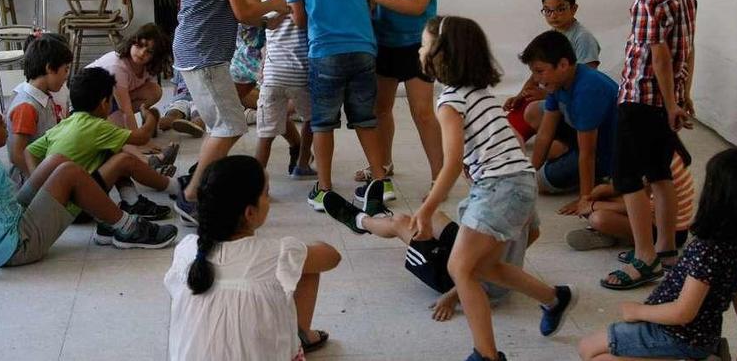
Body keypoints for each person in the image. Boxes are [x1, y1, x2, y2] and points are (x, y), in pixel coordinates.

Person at [0, 95, 178, 289]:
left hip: (11, 220)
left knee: (57, 161)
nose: (7, 125)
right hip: (16, 246)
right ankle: (126, 227)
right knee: (70, 172)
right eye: (1, 122)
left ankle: (107, 222)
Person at [411, 16, 575, 361]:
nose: (420, 49)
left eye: (425, 44)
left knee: (461, 268)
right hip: (513, 182)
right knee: (483, 268)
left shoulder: (450, 103)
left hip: (501, 187)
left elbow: (452, 162)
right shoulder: (478, 92)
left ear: (442, 55)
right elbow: (508, 140)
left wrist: (427, 209)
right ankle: (554, 297)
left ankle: (486, 355)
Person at [172, 0, 289, 223]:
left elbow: (237, 7)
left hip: (200, 49)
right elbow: (241, 11)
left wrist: (265, 19)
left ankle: (201, 178)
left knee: (219, 122)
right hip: (201, 52)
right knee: (230, 125)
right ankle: (191, 196)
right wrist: (278, 7)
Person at [601, 0, 697, 291]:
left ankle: (644, 258)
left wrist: (671, 102)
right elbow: (686, 51)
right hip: (664, 101)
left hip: (640, 98)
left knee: (629, 180)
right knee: (660, 173)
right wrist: (680, 97)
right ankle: (666, 248)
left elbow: (657, 54)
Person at [164, 155, 340, 360]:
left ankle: (300, 336)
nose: (269, 199)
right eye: (266, 194)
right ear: (250, 213)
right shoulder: (279, 253)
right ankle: (301, 336)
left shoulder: (186, 250)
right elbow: (332, 257)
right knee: (304, 267)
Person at [578, 147, 737, 361]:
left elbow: (683, 313)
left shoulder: (707, 250)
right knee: (594, 349)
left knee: (589, 351)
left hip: (675, 334)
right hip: (700, 336)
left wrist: (637, 311)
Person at [286, 0, 391, 211]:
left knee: (322, 122)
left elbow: (299, 17)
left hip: (325, 52)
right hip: (363, 49)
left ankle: (326, 188)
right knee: (365, 118)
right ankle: (380, 182)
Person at [323, 189, 539, 322]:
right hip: (473, 258)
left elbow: (479, 270)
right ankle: (380, 217)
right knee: (433, 217)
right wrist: (513, 257)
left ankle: (361, 221)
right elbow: (534, 233)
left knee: (400, 222)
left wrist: (450, 298)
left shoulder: (488, 211)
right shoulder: (521, 193)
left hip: (467, 282)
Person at [356, 0, 443, 189]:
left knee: (422, 112)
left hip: (418, 47)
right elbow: (369, 2)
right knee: (381, 109)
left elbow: (417, 4)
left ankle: (439, 176)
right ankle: (383, 164)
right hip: (384, 44)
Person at [26, 68, 178, 223]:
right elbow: (142, 137)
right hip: (80, 208)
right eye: (111, 101)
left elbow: (29, 151)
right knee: (124, 160)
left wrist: (38, 182)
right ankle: (177, 188)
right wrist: (150, 116)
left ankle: (132, 201)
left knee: (112, 150)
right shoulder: (97, 126)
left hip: (59, 202)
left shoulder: (65, 124)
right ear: (104, 103)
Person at [518, 31, 618, 207]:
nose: (536, 79)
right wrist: (529, 172)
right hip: (585, 136)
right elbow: (544, 134)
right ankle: (566, 153)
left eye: (540, 71)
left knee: (541, 183)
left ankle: (602, 180)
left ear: (563, 64)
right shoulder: (558, 83)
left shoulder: (588, 90)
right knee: (534, 112)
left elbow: (588, 154)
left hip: (607, 153)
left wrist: (585, 199)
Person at [504, 0, 601, 145]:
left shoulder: (583, 38)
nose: (553, 15)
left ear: (574, 8)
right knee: (509, 123)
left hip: (571, 103)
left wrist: (549, 97)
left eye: (560, 9)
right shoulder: (552, 35)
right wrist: (520, 95)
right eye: (547, 11)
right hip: (551, 94)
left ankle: (563, 142)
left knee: (531, 113)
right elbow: (536, 73)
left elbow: (587, 84)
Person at [255, 0, 316, 178]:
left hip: (272, 76)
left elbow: (265, 27)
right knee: (311, 119)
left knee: (266, 132)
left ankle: (257, 181)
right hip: (301, 73)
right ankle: (301, 163)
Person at [564, 149, 694, 253]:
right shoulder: (651, 149)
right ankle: (617, 233)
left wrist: (593, 205)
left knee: (598, 218)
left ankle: (615, 235)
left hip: (669, 231)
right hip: (651, 213)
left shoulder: (656, 157)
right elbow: (636, 187)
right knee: (601, 194)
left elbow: (645, 207)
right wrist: (600, 193)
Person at [6, 33, 72, 187]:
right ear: (50, 68)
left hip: (46, 168)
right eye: (65, 69)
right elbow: (17, 154)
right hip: (31, 181)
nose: (66, 76)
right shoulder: (27, 107)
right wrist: (39, 184)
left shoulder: (43, 97)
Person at [86, 23, 172, 131]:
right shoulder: (117, 66)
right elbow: (125, 110)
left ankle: (146, 121)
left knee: (155, 91)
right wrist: (138, 141)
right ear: (132, 42)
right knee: (117, 136)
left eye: (149, 52)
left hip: (112, 100)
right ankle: (145, 126)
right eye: (139, 45)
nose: (142, 53)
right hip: (92, 105)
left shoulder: (147, 66)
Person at [157, 69, 206, 138]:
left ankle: (194, 127)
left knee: (197, 115)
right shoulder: (179, 67)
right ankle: (157, 125)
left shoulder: (206, 66)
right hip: (181, 98)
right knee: (173, 113)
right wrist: (174, 101)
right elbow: (176, 87)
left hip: (199, 99)